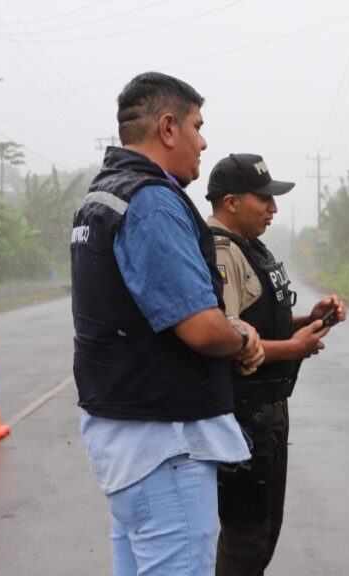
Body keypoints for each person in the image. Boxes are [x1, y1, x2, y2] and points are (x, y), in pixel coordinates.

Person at [71, 72, 265, 576]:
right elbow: (200, 327)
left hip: (124, 445)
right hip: (164, 447)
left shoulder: (102, 197)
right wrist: (241, 336)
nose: (203, 141)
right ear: (168, 128)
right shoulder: (153, 202)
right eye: (197, 126)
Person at [205, 153, 347, 576]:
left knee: (265, 530)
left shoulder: (251, 247)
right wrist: (294, 348)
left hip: (269, 411)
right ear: (231, 202)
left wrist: (311, 319)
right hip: (243, 413)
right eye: (263, 199)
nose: (273, 208)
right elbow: (227, 342)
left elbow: (257, 320)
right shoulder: (219, 251)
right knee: (246, 536)